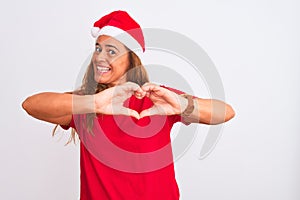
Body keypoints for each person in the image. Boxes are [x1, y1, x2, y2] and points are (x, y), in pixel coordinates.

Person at [22, 10, 235, 200]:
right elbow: (31, 105)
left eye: (111, 51)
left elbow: (225, 112)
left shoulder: (157, 97)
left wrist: (182, 105)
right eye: (98, 49)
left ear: (131, 59)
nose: (99, 58)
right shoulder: (85, 104)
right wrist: (93, 102)